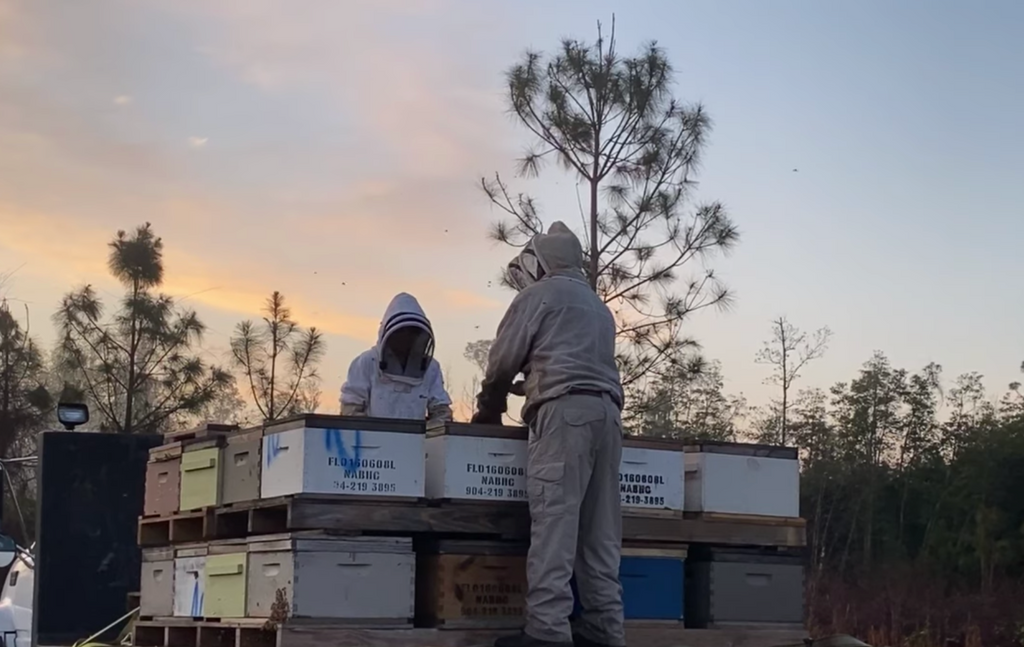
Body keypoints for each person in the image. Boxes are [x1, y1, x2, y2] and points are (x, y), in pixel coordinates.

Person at [473, 222, 626, 647]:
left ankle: (547, 633)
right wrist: (535, 383)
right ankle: (604, 631)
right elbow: (571, 362)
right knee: (599, 536)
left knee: (555, 526)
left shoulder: (537, 296)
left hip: (563, 421)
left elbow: (502, 361)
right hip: (608, 420)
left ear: (539, 263)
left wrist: (489, 408)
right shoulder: (597, 307)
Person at [340, 292, 453, 423]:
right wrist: (367, 435)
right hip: (372, 442)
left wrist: (432, 435)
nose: (406, 337)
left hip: (415, 442)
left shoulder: (430, 367)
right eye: (402, 332)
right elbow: (351, 409)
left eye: (413, 332)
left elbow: (441, 411)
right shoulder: (366, 363)